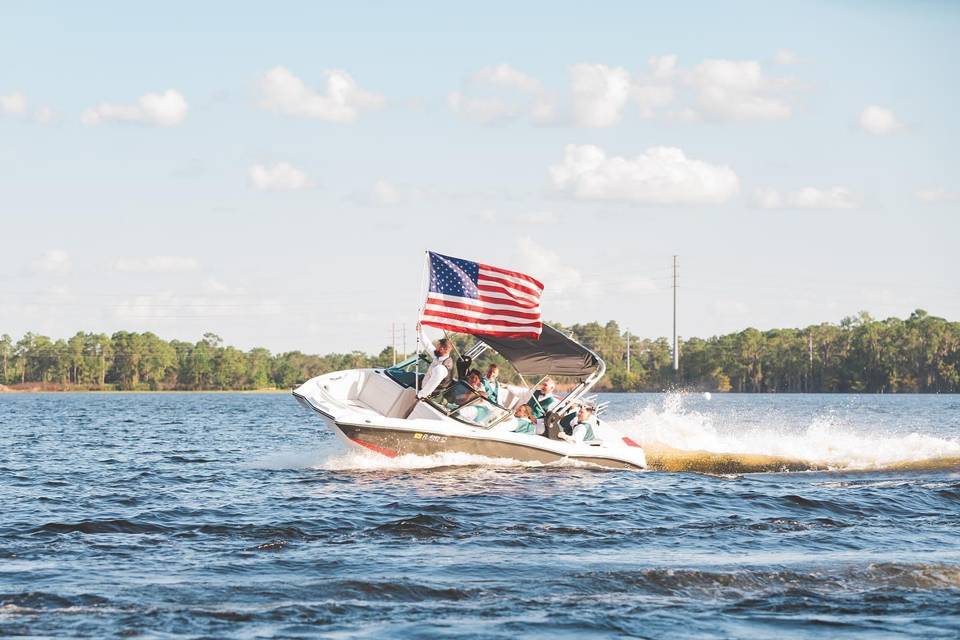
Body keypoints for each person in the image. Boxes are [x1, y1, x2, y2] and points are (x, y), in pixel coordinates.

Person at [416, 322, 454, 399]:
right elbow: (428, 346)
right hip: (424, 392)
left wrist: (419, 396)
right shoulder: (439, 356)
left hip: (429, 398)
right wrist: (420, 331)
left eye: (437, 346)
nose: (435, 348)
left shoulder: (442, 368)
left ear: (442, 349)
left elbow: (431, 385)